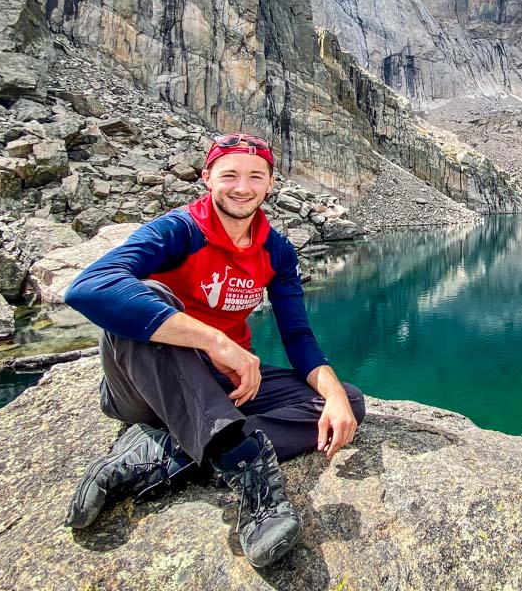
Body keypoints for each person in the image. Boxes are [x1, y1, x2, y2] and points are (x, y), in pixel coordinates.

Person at [63, 132, 365, 568]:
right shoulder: (178, 230)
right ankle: (245, 470)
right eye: (229, 175)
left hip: (220, 389)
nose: (242, 187)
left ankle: (165, 452)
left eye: (254, 177)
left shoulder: (275, 251)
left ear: (270, 184)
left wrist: (334, 395)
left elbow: (297, 337)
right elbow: (89, 288)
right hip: (146, 389)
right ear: (207, 177)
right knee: (147, 297)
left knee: (347, 405)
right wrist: (215, 340)